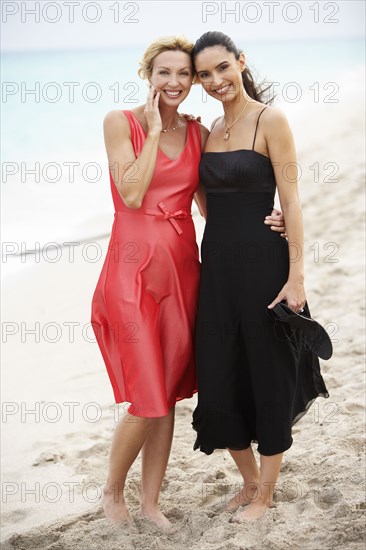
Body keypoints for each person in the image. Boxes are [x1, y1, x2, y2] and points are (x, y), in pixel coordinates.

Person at [91, 35, 285, 530]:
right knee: (147, 394)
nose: (175, 83)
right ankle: (113, 493)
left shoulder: (199, 133)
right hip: (132, 268)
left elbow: (211, 203)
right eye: (165, 73)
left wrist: (270, 216)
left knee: (170, 391)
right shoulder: (123, 122)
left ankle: (151, 504)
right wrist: (155, 130)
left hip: (181, 269)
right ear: (148, 76)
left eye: (185, 74)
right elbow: (131, 193)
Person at [191, 31, 329, 522]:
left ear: (240, 62)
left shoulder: (271, 120)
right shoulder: (207, 130)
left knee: (269, 370)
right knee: (219, 368)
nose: (215, 81)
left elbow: (291, 203)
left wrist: (297, 278)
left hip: (265, 266)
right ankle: (247, 482)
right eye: (204, 74)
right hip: (218, 269)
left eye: (222, 68)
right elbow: (204, 200)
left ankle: (267, 493)